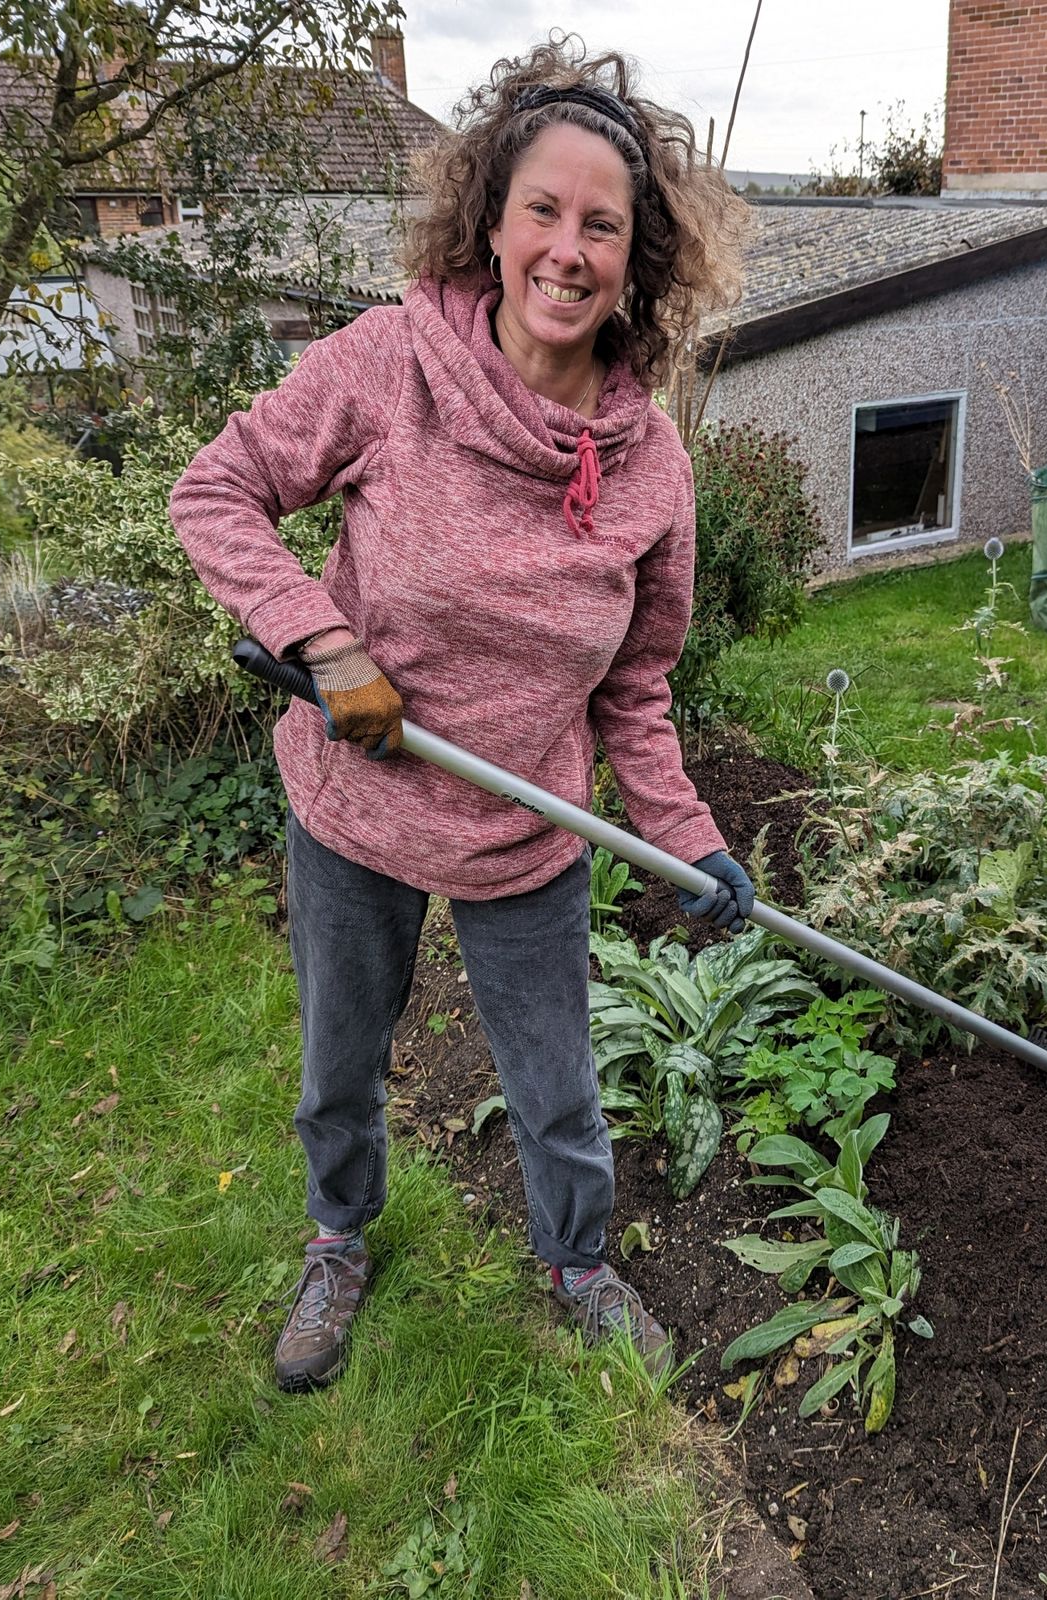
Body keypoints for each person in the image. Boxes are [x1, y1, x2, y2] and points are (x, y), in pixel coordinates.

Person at [168, 39, 754, 1391]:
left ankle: (577, 1262)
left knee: (556, 1088)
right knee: (339, 1069)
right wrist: (318, 639)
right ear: (490, 224)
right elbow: (216, 491)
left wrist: (689, 837)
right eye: (540, 210)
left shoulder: (649, 465)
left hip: (523, 835)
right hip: (357, 806)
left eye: (601, 224)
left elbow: (636, 684)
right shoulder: (390, 367)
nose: (567, 247)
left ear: (636, 259)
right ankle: (337, 1244)